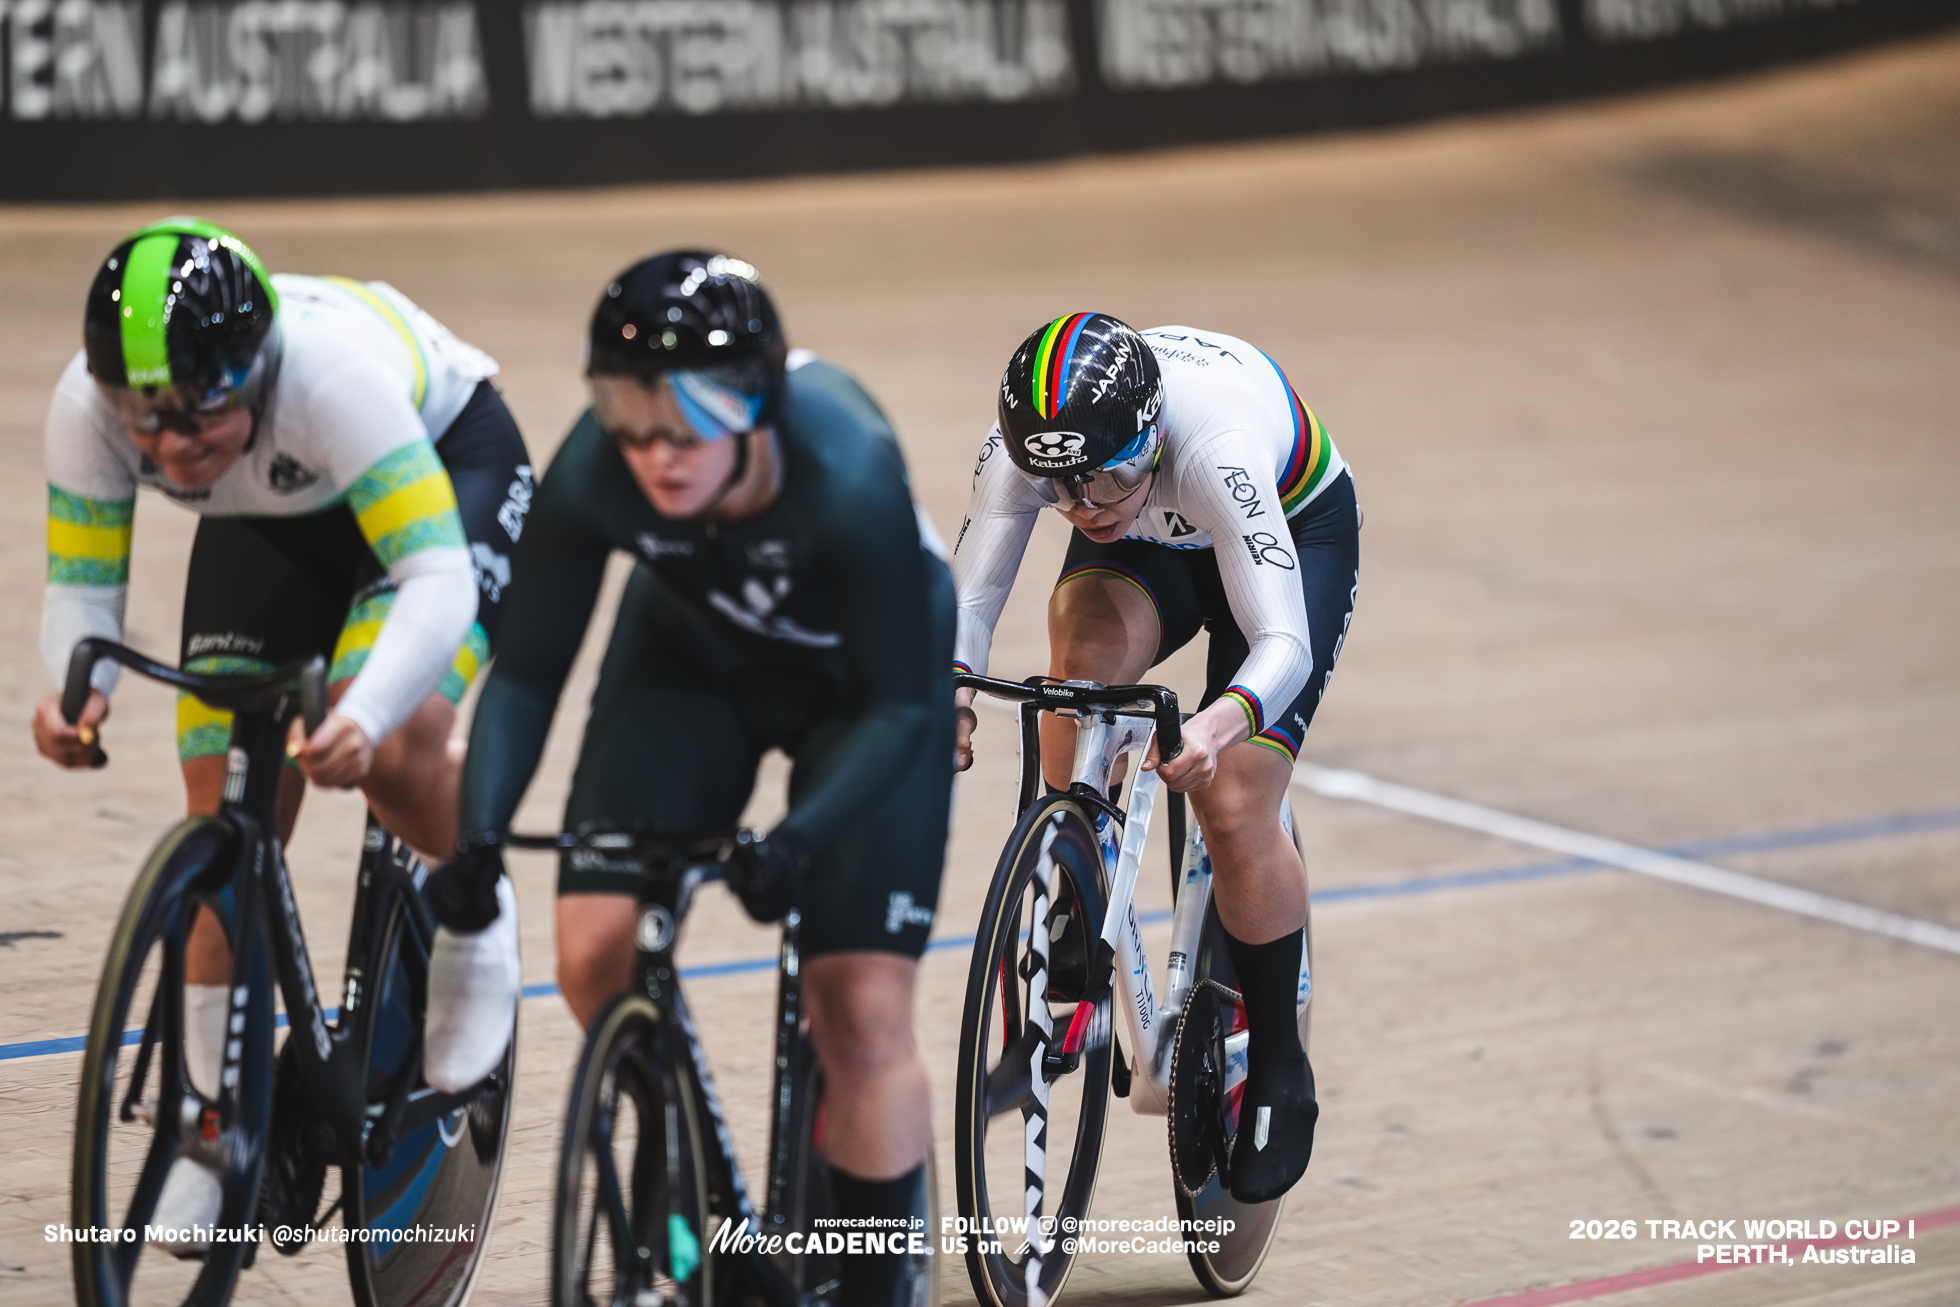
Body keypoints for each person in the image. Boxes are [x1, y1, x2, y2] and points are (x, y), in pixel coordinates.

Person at [430, 251, 953, 1305]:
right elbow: (529, 670)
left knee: (857, 1007)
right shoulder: (597, 468)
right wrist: (478, 832)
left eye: (691, 415)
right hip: (692, 662)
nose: (657, 450)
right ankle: (706, 1218)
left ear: (757, 402)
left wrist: (796, 843)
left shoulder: (844, 473)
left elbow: (902, 706)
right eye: (627, 409)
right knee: (595, 952)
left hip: (863, 692)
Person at [32, 217, 532, 1250]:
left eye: (196, 409)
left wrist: (359, 711)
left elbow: (434, 578)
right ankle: (207, 1131)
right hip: (275, 503)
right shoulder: (90, 408)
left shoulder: (331, 379)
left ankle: (476, 899)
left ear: (253, 369)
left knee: (392, 750)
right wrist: (71, 696)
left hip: (441, 466)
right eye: (143, 416)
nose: (169, 442)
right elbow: (80, 594)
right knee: (224, 821)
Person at [950, 313, 1359, 1203]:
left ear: (1148, 435)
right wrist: (952, 692)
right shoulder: (1039, 458)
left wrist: (1219, 727)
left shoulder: (1212, 448)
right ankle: (1074, 887)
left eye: (1103, 481)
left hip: (1290, 529)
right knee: (1079, 675)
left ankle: (1283, 1070)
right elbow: (970, 596)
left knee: (1239, 792)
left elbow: (1282, 638)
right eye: (1062, 491)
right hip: (1157, 538)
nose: (1083, 509)